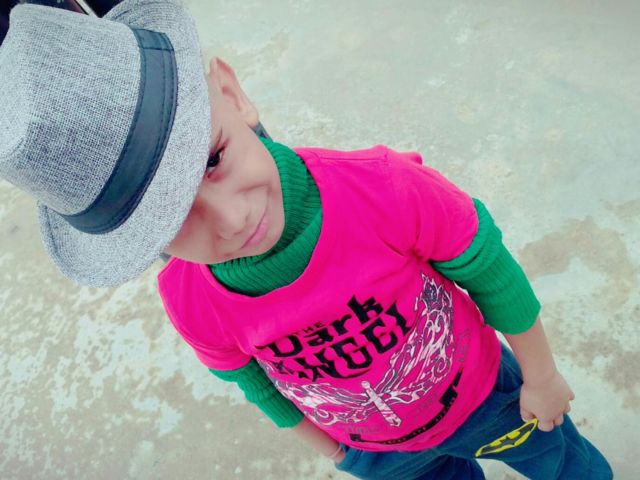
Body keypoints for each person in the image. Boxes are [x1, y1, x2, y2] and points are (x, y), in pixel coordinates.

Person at [0, 1, 613, 479]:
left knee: (565, 466)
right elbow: (252, 380)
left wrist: (541, 375)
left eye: (212, 159)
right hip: (378, 454)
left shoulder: (384, 190)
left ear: (232, 96)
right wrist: (335, 452)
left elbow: (487, 266)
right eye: (169, 221)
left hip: (488, 400)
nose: (231, 219)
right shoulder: (192, 301)